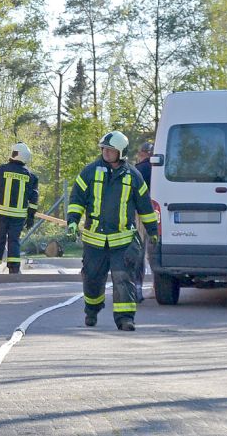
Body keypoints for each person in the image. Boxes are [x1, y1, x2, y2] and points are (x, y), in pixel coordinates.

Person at [67, 131, 158, 331]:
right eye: (104, 149)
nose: (106, 153)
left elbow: (145, 206)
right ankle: (92, 310)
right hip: (94, 240)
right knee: (91, 277)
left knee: (123, 278)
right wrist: (72, 221)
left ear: (121, 152)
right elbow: (76, 200)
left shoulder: (134, 176)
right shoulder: (89, 172)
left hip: (123, 241)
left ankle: (126, 319)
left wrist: (153, 230)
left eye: (111, 150)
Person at [0, 142, 39, 274]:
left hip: (0, 214)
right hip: (18, 216)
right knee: (14, 241)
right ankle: (14, 271)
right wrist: (31, 216)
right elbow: (33, 199)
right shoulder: (31, 177)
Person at [132, 141, 154, 302]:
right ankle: (156, 286)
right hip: (161, 212)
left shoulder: (138, 170)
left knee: (139, 251)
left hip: (141, 215)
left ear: (144, 153)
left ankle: (137, 288)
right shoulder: (162, 169)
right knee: (155, 251)